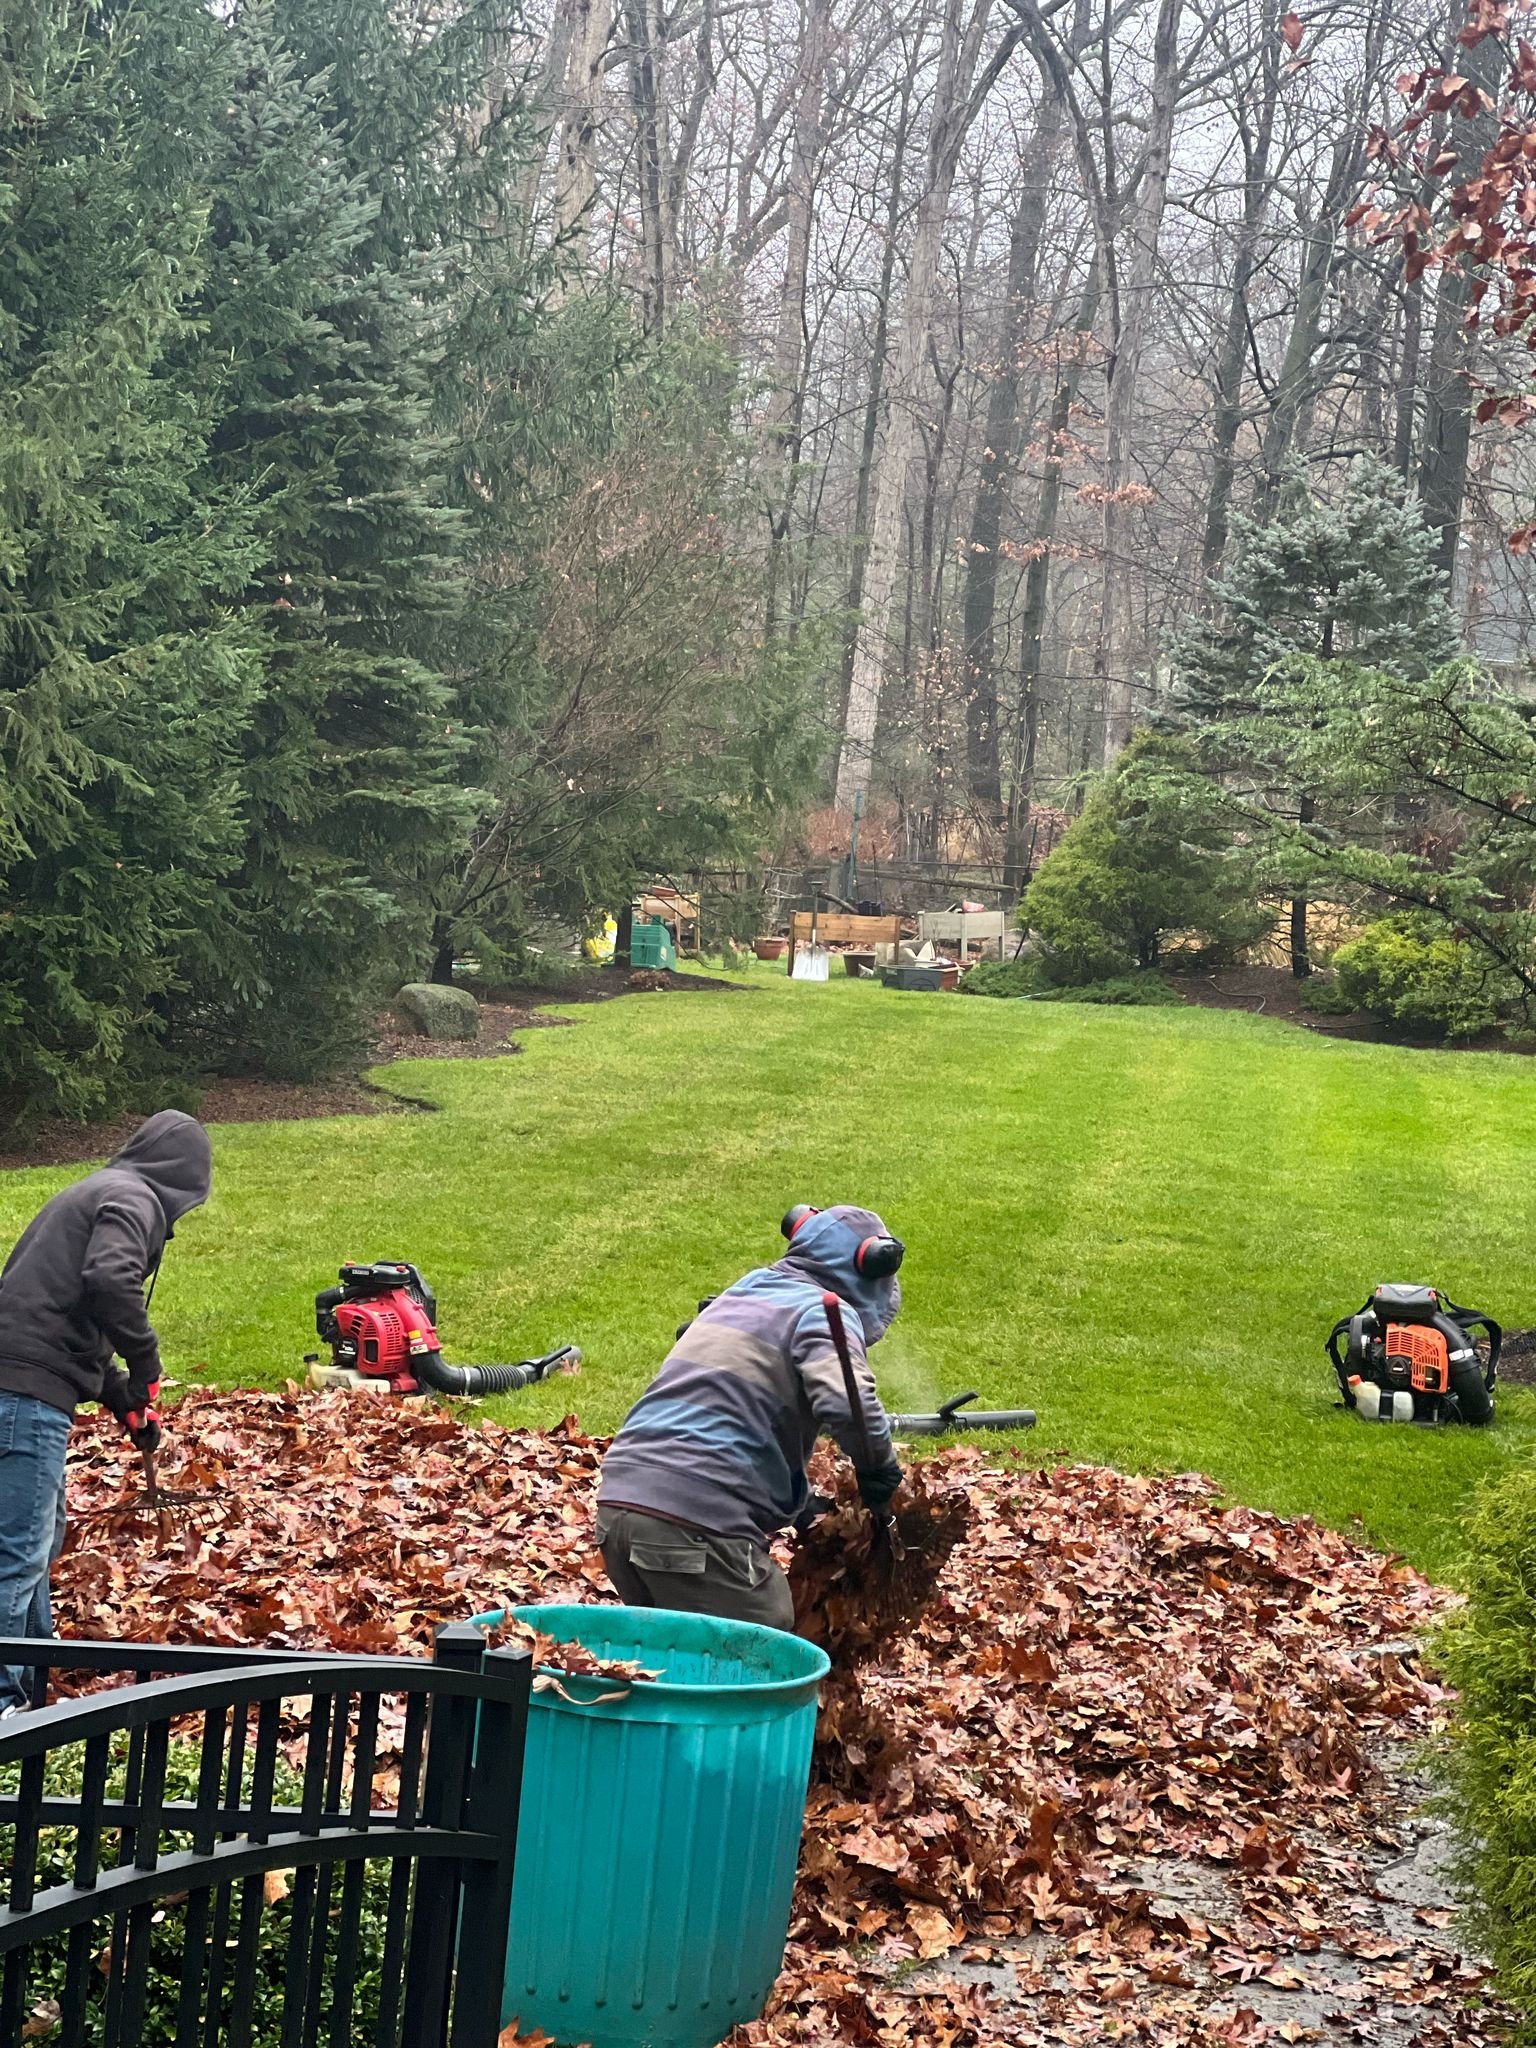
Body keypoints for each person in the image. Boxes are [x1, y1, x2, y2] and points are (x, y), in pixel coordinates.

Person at [596, 1203, 905, 1632]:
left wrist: (799, 1506)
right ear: (871, 1268)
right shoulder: (824, 1310)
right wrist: (880, 1471)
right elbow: (848, 1404)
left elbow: (731, 1415)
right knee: (768, 1640)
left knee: (674, 1656)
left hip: (618, 1509)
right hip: (693, 1519)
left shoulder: (743, 1292)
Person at [0, 1110, 212, 1711]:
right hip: (23, 1399)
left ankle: (31, 1688)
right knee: (17, 1553)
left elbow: (53, 1315)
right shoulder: (132, 1198)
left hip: (18, 1384)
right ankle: (2, 1709)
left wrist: (122, 1395)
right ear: (186, 1180)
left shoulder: (97, 1191)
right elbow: (110, 1280)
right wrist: (147, 1366)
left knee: (33, 1545)